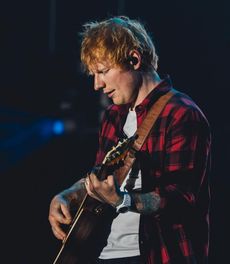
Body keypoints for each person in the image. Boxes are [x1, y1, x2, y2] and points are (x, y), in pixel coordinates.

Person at [48, 16, 211, 264]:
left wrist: (123, 200)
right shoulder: (114, 115)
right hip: (104, 252)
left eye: (103, 71)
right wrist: (69, 195)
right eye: (94, 74)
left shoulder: (181, 114)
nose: (96, 85)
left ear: (134, 59)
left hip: (157, 255)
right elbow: (101, 175)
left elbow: (183, 198)